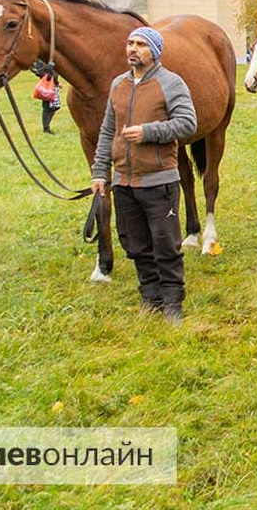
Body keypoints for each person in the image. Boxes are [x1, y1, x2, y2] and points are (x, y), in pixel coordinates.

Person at [90, 27, 197, 323]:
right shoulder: (118, 86)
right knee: (135, 245)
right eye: (130, 43)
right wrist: (100, 172)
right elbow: (107, 131)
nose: (132, 49)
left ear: (154, 51)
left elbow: (188, 124)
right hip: (124, 182)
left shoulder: (171, 83)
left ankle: (173, 303)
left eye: (140, 44)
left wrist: (149, 132)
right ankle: (150, 298)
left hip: (159, 181)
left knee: (166, 245)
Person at [32, 59, 61, 133]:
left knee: (55, 106)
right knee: (47, 107)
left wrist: (57, 82)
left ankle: (47, 125)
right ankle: (46, 128)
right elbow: (39, 72)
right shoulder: (39, 60)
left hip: (53, 85)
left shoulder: (49, 58)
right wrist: (49, 69)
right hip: (46, 86)